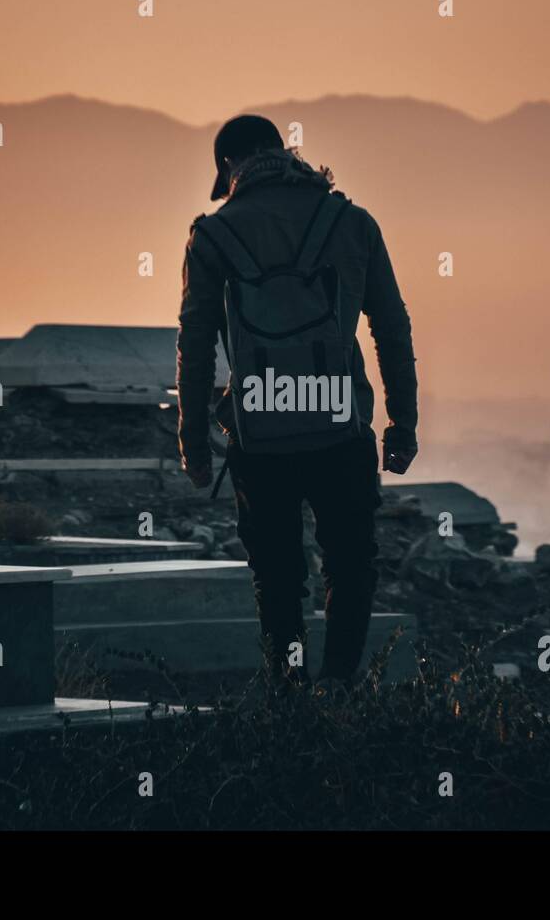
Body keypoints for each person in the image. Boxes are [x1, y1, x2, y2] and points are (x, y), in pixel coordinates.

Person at [176, 114, 418, 689]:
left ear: (229, 167)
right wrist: (401, 424)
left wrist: (193, 440)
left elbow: (195, 341)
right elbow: (392, 327)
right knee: (351, 564)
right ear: (284, 153)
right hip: (341, 428)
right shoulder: (352, 222)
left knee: (278, 577)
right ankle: (339, 688)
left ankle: (289, 699)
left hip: (260, 436)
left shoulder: (212, 235)